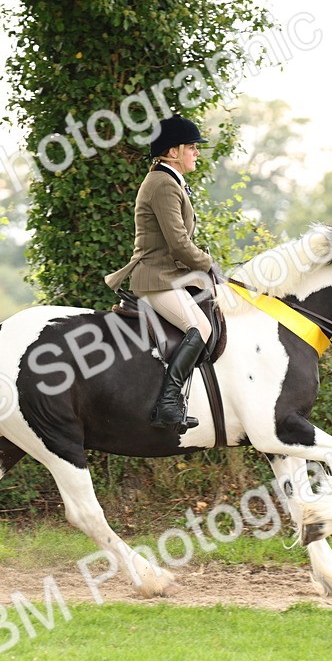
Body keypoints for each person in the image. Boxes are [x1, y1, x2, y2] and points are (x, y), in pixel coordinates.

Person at [105, 114, 221, 433]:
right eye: (192, 147)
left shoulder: (169, 181)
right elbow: (179, 244)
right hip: (156, 277)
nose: (197, 152)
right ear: (173, 151)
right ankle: (168, 404)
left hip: (170, 274)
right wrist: (209, 265)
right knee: (199, 328)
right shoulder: (162, 184)